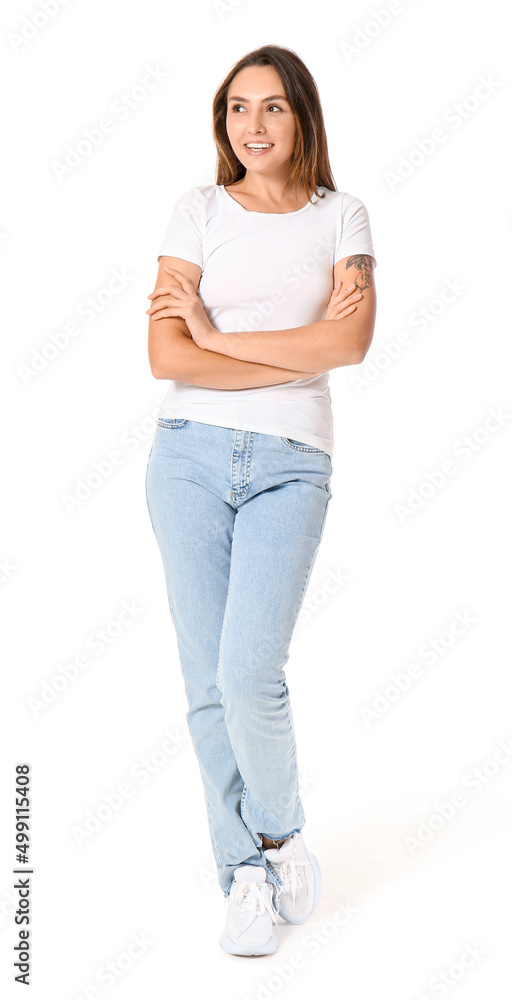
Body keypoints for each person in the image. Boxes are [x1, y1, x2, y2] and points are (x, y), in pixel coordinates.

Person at [145, 44, 377, 957]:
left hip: (292, 460)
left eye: (272, 108)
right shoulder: (195, 209)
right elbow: (167, 360)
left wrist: (217, 333)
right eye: (238, 107)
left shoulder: (342, 215)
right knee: (207, 684)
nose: (253, 124)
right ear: (222, 120)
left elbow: (351, 346)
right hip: (187, 459)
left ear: (303, 118)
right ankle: (240, 870)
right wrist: (296, 343)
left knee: (251, 674)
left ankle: (281, 836)